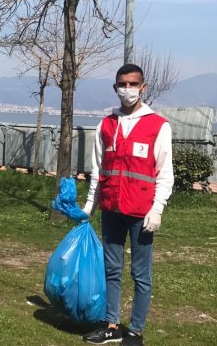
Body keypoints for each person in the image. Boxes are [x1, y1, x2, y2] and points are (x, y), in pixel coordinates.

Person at [81, 64, 173, 346]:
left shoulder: (157, 125)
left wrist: (157, 207)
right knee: (112, 269)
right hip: (111, 208)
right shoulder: (106, 125)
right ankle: (112, 325)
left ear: (143, 87)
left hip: (141, 212)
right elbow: (98, 168)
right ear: (115, 87)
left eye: (133, 84)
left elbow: (164, 172)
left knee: (140, 273)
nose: (128, 89)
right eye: (123, 84)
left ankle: (135, 331)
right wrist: (90, 204)